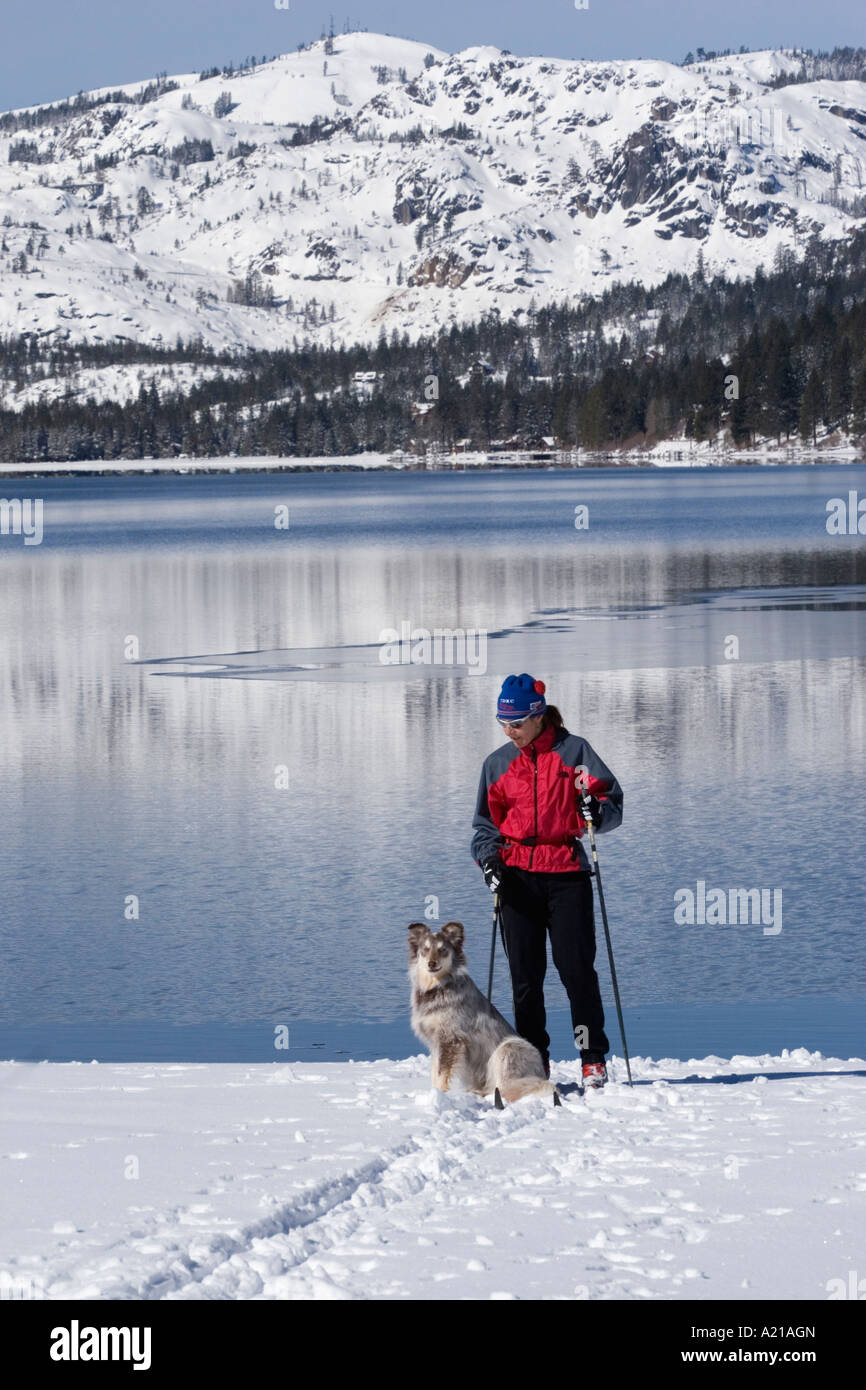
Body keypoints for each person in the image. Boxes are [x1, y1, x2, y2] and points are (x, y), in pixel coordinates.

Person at [470, 673, 623, 1088]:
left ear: (538, 716)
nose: (510, 731)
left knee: (576, 971)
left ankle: (592, 1057)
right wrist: (489, 863)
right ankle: (534, 1064)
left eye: (517, 722)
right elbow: (484, 830)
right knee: (525, 977)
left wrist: (596, 811)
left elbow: (611, 803)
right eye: (504, 723)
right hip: (516, 877)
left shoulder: (575, 753)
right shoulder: (497, 764)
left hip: (567, 876)